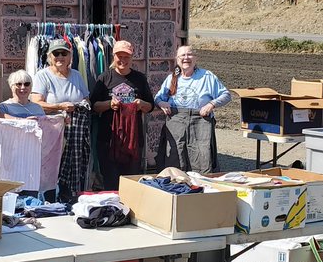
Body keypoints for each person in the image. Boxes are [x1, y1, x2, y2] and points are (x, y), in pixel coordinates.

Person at [153, 45, 230, 173]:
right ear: (177, 59)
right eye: (182, 55)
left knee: (202, 156)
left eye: (189, 55)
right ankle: (176, 187)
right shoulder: (172, 78)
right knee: (175, 157)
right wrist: (161, 103)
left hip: (200, 121)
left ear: (195, 58)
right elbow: (158, 98)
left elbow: (226, 95)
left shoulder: (207, 76)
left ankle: (200, 188)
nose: (186, 58)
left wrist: (211, 104)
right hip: (176, 121)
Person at [31, 39, 91, 202]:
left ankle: (69, 198)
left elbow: (86, 99)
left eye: (64, 53)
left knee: (74, 165)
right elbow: (36, 103)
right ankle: (49, 200)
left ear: (70, 56)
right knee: (52, 166)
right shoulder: (43, 76)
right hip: (53, 132)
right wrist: (60, 106)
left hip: (75, 131)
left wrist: (80, 106)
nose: (60, 57)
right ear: (49, 56)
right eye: (56, 53)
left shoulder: (77, 76)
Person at [90, 40, 154, 190]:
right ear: (114, 57)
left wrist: (140, 104)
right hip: (108, 141)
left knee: (131, 182)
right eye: (120, 56)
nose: (123, 60)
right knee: (111, 182)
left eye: (127, 57)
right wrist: (108, 104)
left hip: (133, 141)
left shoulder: (140, 79)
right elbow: (93, 106)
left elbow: (150, 106)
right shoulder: (104, 79)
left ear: (132, 58)